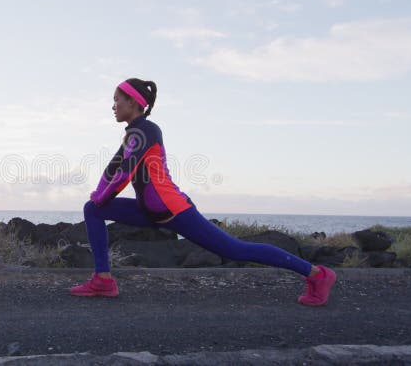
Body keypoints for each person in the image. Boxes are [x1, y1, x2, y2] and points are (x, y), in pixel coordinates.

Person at [70, 78, 337, 306]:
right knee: (92, 209)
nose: (113, 106)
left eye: (117, 99)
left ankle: (316, 274)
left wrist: (103, 196)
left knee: (236, 250)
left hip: (173, 211)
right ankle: (103, 280)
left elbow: (124, 175)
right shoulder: (132, 135)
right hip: (150, 210)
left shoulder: (147, 131)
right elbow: (112, 169)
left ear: (133, 102)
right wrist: (97, 196)